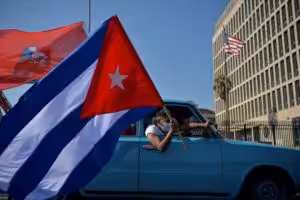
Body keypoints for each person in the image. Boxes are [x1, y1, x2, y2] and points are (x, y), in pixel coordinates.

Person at [145, 109, 210, 151]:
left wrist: (204, 125)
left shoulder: (168, 127)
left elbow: (188, 125)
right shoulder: (151, 130)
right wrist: (171, 131)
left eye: (170, 121)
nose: (169, 123)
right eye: (167, 121)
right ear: (158, 122)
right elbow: (160, 147)